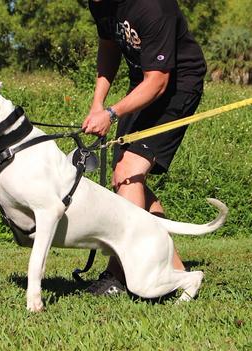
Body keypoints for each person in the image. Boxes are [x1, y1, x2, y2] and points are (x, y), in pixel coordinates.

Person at [82, 0, 207, 295]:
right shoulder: (99, 3)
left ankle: (117, 274)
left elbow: (159, 82)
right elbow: (109, 47)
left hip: (176, 84)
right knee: (123, 179)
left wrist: (112, 113)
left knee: (129, 173)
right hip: (143, 81)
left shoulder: (152, 7)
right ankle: (176, 272)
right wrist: (98, 103)